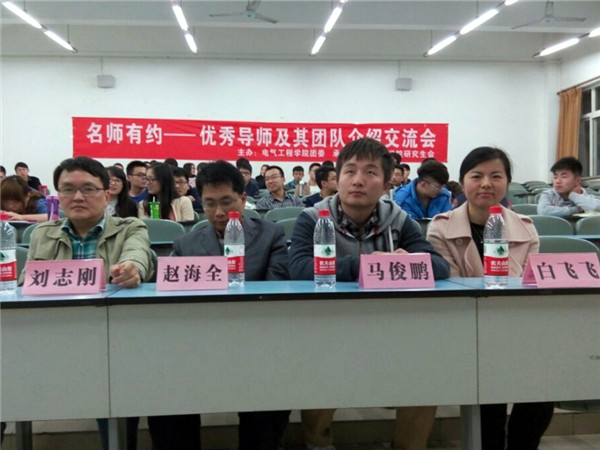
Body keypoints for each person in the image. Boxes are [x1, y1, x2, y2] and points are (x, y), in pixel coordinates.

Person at [289, 138, 450, 450]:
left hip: (392, 329)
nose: (358, 180)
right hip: (328, 328)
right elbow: (299, 269)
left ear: (387, 183)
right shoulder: (313, 218)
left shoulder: (399, 219)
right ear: (337, 178)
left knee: (426, 372)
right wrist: (364, 265)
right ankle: (318, 443)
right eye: (349, 171)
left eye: (370, 172)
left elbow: (440, 267)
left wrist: (407, 262)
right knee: (319, 368)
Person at [148, 160, 290, 450]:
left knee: (268, 407)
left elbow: (275, 292)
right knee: (165, 400)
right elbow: (170, 296)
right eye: (210, 204)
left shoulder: (270, 235)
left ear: (243, 198)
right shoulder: (186, 244)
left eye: (227, 202)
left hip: (256, 342)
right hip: (197, 344)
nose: (219, 212)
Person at [20, 156, 153, 450]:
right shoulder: (42, 233)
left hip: (111, 337)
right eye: (68, 189)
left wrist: (132, 268)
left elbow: (138, 254)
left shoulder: (130, 227)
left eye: (88, 189)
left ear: (106, 195)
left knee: (114, 386)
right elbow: (25, 284)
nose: (78, 197)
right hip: (51, 337)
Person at [427, 146, 554, 450]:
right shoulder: (441, 227)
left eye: (496, 176)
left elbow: (528, 285)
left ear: (507, 182)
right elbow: (453, 287)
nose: (486, 184)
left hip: (517, 325)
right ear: (462, 182)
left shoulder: (526, 228)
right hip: (467, 328)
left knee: (543, 390)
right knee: (489, 397)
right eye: (477, 176)